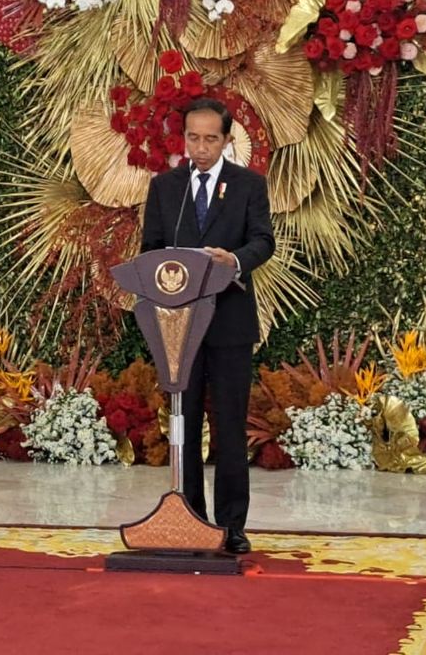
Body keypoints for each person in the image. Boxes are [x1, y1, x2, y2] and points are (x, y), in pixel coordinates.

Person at [140, 97, 275, 554]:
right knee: (184, 423)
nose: (200, 147)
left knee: (230, 426)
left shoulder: (247, 186)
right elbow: (151, 248)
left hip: (230, 324)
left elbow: (263, 240)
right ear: (184, 138)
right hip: (179, 325)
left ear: (226, 139)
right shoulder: (165, 188)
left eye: (210, 139)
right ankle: (191, 516)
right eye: (193, 138)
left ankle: (232, 525)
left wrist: (234, 260)